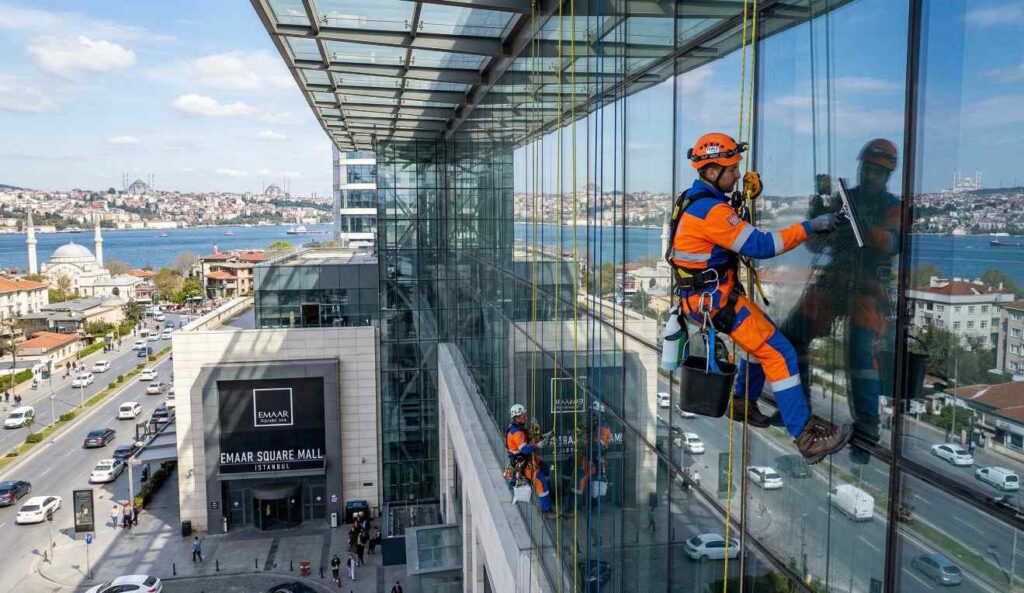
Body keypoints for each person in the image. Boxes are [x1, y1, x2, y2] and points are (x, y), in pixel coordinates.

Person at [668, 132, 852, 464]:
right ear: (711, 172)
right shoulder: (710, 211)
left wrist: (736, 203)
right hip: (715, 301)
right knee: (779, 355)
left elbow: (723, 235)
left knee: (760, 342)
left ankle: (741, 402)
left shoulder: (693, 199)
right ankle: (805, 438)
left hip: (708, 297)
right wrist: (811, 226)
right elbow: (762, 246)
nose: (738, 175)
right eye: (732, 169)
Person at [782, 139, 901, 463]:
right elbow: (817, 247)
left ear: (886, 174)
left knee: (861, 352)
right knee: (793, 335)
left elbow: (891, 242)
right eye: (868, 169)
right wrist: (818, 215)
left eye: (877, 171)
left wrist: (861, 222)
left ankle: (866, 429)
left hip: (866, 287)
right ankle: (800, 411)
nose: (871, 175)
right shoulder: (844, 201)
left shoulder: (892, 207)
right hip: (837, 279)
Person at [505, 403, 556, 518]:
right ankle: (546, 510)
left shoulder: (518, 427)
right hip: (523, 462)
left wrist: (546, 435)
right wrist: (538, 445)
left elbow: (529, 439)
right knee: (540, 481)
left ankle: (548, 495)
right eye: (523, 416)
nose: (525, 417)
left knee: (544, 468)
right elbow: (525, 449)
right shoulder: (516, 432)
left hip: (527, 458)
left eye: (525, 415)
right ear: (516, 417)